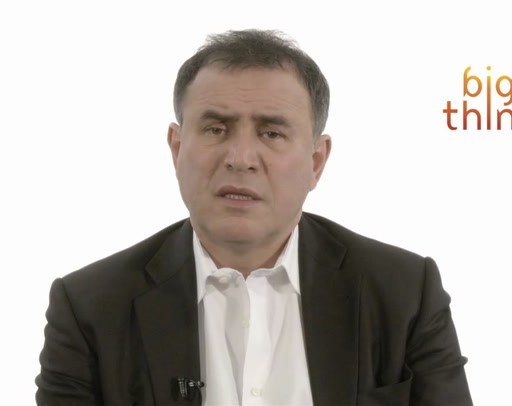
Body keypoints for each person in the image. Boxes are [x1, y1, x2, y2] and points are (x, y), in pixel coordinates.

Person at [35, 29, 473, 405]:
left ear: (316, 161)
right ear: (176, 148)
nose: (241, 157)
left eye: (271, 133)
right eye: (216, 129)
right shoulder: (89, 309)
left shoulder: (404, 294)